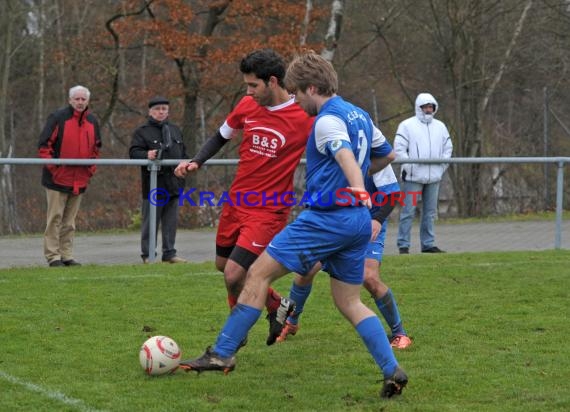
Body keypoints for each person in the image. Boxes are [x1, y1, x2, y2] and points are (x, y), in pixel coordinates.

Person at [179, 51, 408, 399]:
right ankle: (391, 369)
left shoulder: (326, 120)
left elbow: (344, 153)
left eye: (298, 93)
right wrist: (360, 180)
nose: (296, 101)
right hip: (357, 222)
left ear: (312, 88)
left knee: (256, 274)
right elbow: (387, 155)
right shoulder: (360, 114)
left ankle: (222, 353)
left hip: (326, 219)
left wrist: (356, 184)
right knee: (349, 303)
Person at [174, 49, 313, 344]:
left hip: (268, 210)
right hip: (237, 202)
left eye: (253, 85)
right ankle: (277, 305)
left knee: (234, 275)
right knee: (223, 266)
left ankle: (234, 334)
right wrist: (197, 160)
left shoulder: (303, 116)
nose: (248, 91)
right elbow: (221, 135)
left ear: (273, 82)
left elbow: (331, 148)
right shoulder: (247, 105)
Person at [277, 165, 412, 350]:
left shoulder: (373, 147)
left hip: (368, 224)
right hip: (334, 223)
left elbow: (393, 194)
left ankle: (399, 333)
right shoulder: (330, 147)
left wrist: (378, 219)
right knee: (306, 269)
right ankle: (291, 322)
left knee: (369, 278)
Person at [38, 85, 102, 267]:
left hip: (80, 179)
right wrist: (54, 168)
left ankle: (66, 255)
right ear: (70, 100)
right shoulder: (58, 118)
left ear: (88, 101)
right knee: (55, 219)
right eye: (77, 99)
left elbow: (97, 148)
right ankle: (53, 256)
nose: (80, 102)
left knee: (70, 221)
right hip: (57, 179)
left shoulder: (92, 121)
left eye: (83, 99)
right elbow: (44, 146)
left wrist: (90, 169)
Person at [129, 96, 188, 264]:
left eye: (164, 109)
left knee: (171, 222)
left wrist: (186, 165)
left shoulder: (175, 130)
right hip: (154, 183)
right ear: (150, 111)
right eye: (157, 109)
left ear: (168, 111)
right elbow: (133, 153)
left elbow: (184, 153)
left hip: (174, 183)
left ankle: (170, 253)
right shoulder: (142, 131)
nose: (161, 112)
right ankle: (148, 254)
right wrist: (146, 154)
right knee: (150, 222)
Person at [394, 92, 453, 254]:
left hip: (434, 177)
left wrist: (441, 167)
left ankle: (428, 244)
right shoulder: (406, 125)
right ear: (419, 108)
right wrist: (409, 166)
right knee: (408, 211)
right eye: (425, 107)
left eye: (431, 106)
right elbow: (399, 149)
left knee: (430, 212)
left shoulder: (440, 126)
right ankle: (403, 244)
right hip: (413, 177)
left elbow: (448, 149)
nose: (428, 109)